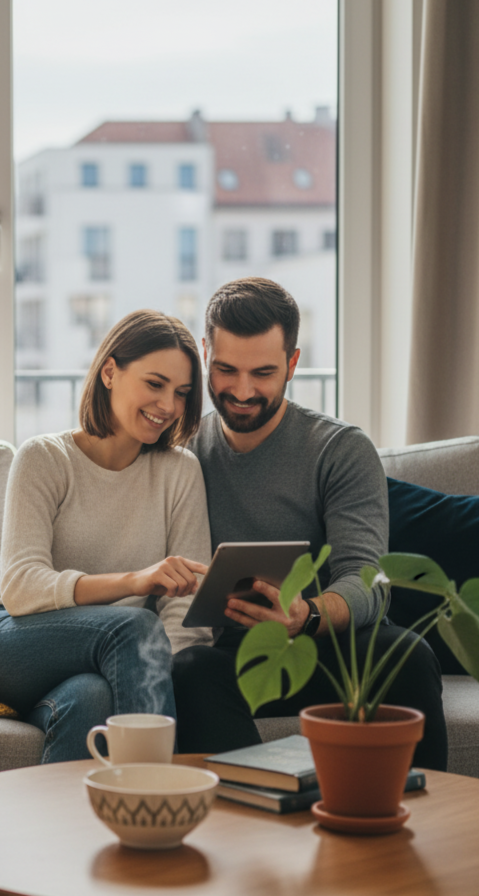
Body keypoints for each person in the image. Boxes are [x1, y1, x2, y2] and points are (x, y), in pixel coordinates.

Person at [172, 277, 447, 770]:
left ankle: (420, 831)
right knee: (188, 670)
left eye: (263, 372)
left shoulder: (339, 450)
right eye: (226, 369)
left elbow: (368, 579)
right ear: (205, 353)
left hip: (329, 648)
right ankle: (262, 807)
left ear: (293, 364)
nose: (242, 391)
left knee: (407, 652)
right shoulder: (182, 452)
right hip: (231, 658)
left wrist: (307, 615)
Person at [0, 310, 214, 763]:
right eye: (155, 383)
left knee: (91, 699)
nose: (168, 405)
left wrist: (149, 674)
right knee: (134, 626)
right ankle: (152, 806)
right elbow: (22, 587)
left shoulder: (180, 472)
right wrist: (133, 582)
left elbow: (187, 608)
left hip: (101, 658)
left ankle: (67, 833)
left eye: (182, 393)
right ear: (110, 372)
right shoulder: (45, 458)